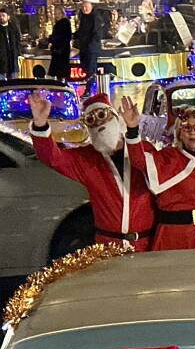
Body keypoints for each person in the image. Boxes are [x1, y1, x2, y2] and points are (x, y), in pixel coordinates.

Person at [29, 92, 156, 251]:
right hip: (108, 247)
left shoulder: (143, 150)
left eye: (102, 115)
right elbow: (53, 158)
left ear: (115, 117)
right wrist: (40, 124)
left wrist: (133, 130)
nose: (99, 123)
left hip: (146, 245)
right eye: (91, 120)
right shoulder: (87, 158)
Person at [122, 101, 195, 251]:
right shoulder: (168, 158)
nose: (192, 132)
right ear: (179, 133)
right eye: (186, 128)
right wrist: (133, 128)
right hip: (172, 235)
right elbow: (139, 161)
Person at [74, 0, 106, 93]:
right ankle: (90, 86)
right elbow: (81, 31)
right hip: (83, 47)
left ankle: (89, 89)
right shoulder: (83, 17)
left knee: (90, 69)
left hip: (91, 48)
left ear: (91, 7)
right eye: (83, 7)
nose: (85, 9)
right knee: (85, 67)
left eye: (86, 7)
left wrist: (90, 44)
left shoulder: (96, 17)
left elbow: (97, 34)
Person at [48, 15, 72, 80]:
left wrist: (52, 39)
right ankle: (62, 82)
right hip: (59, 50)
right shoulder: (58, 24)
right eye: (56, 13)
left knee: (61, 70)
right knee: (60, 71)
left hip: (61, 50)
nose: (57, 15)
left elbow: (66, 37)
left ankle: (62, 83)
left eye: (58, 13)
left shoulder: (64, 24)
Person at [0, 7, 21, 80]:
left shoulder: (13, 27)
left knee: (14, 80)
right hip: (2, 60)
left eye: (3, 15)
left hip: (13, 58)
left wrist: (18, 53)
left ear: (8, 17)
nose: (1, 17)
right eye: (0, 16)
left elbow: (18, 40)